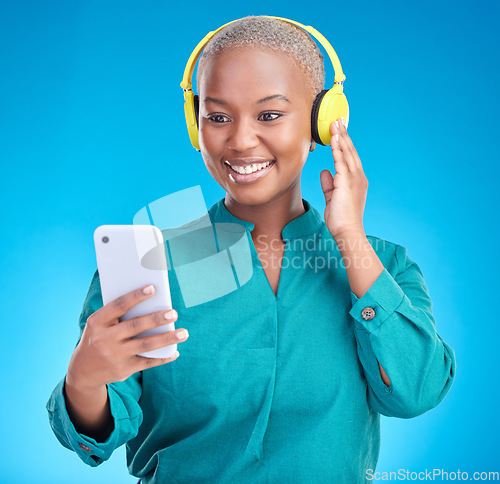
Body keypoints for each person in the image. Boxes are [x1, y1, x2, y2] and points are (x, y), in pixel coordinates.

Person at [47, 16, 456, 483]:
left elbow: (415, 392)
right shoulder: (150, 267)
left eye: (270, 114)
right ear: (195, 123)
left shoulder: (384, 266)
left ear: (323, 123)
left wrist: (350, 238)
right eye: (218, 117)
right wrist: (84, 379)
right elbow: (95, 437)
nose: (240, 140)